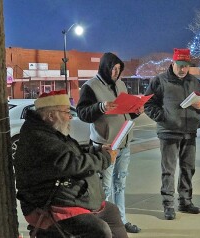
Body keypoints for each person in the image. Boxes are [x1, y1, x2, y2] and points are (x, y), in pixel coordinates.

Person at [14, 90, 128, 238]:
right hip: (47, 203)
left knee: (111, 212)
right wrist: (104, 158)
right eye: (67, 111)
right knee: (100, 229)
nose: (70, 116)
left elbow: (73, 152)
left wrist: (97, 149)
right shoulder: (37, 136)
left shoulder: (49, 130)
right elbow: (70, 162)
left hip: (65, 196)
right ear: (51, 115)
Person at [76, 52, 142, 233]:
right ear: (105, 68)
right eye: (113, 69)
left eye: (119, 69)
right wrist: (100, 107)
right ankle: (102, 224)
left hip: (124, 141)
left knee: (120, 182)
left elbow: (125, 111)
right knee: (104, 186)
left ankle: (120, 220)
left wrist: (136, 110)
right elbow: (82, 113)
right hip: (105, 144)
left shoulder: (121, 85)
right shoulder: (90, 87)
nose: (116, 72)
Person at [144, 48, 200, 220]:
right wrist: (163, 117)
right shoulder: (159, 81)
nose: (182, 69)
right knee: (169, 170)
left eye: (185, 66)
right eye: (179, 65)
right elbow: (148, 104)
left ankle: (185, 201)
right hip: (169, 132)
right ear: (172, 63)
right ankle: (168, 204)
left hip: (190, 132)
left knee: (188, 169)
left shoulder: (196, 82)